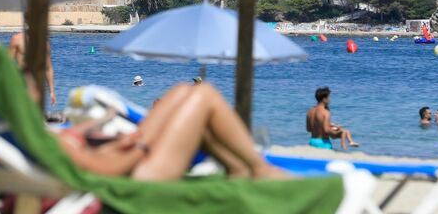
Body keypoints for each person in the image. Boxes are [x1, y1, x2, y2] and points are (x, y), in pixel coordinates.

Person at [59, 83, 288, 180]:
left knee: (182, 91)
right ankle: (259, 168)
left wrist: (108, 130)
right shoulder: (47, 145)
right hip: (136, 169)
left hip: (121, 153)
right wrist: (141, 146)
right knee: (203, 94)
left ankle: (238, 166)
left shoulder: (44, 139)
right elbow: (108, 169)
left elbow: (75, 145)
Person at [8, 32, 56, 106]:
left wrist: (52, 91)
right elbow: (8, 64)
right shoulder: (17, 39)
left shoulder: (44, 44)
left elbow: (48, 68)